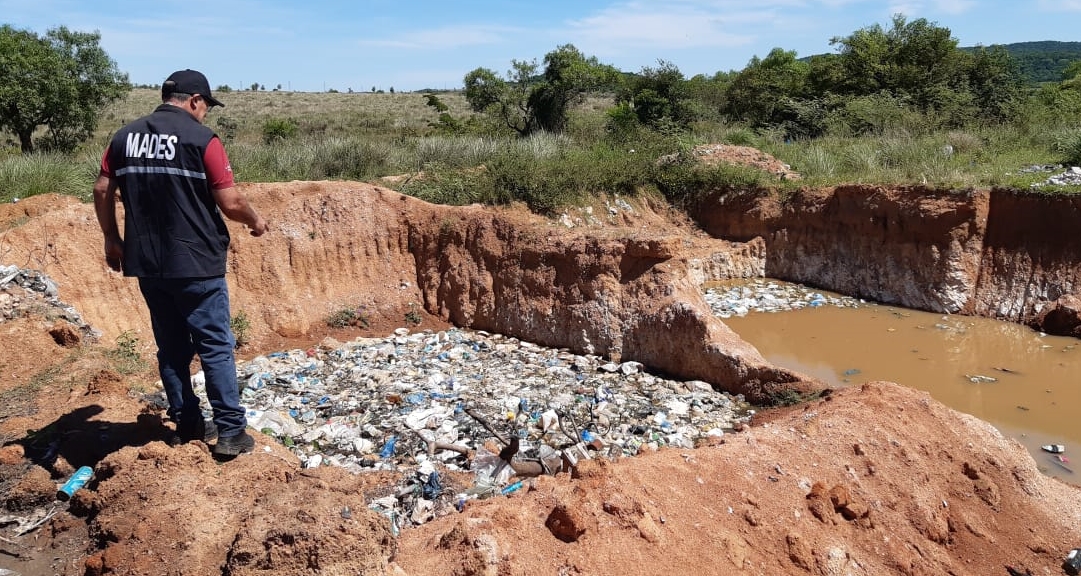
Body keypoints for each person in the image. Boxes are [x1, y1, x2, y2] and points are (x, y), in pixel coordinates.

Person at [93, 69, 268, 457]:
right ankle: (230, 432)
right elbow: (231, 202)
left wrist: (111, 237)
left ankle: (187, 424)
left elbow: (103, 188)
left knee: (171, 347)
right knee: (215, 345)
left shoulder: (124, 137)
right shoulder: (202, 139)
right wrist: (256, 221)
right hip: (197, 262)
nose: (205, 114)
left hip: (148, 263)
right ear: (194, 101)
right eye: (206, 106)